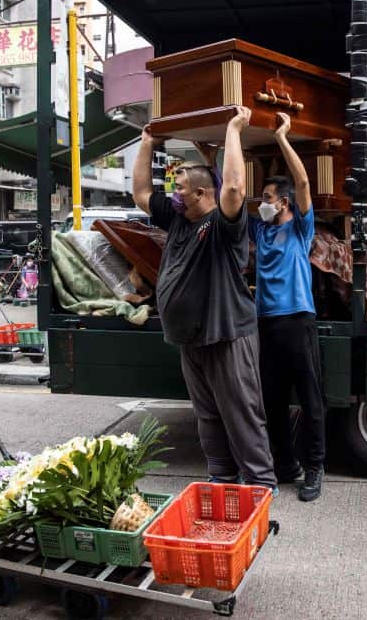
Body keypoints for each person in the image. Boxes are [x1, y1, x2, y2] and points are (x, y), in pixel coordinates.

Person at [132, 107, 277, 492]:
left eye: (180, 189)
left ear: (200, 193)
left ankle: (260, 482)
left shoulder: (222, 224)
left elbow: (232, 188)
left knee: (241, 412)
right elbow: (141, 193)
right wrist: (147, 143)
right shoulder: (179, 219)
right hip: (191, 337)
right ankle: (221, 476)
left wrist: (234, 131)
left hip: (227, 333)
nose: (173, 194)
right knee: (208, 414)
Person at [250, 113, 326, 502]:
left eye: (266, 199)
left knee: (311, 401)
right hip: (266, 324)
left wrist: (282, 137)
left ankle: (314, 468)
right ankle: (285, 465)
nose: (260, 204)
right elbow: (227, 190)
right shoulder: (261, 229)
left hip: (298, 321)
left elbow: (303, 182)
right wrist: (210, 151)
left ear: (283, 202)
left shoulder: (300, 227)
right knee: (273, 402)